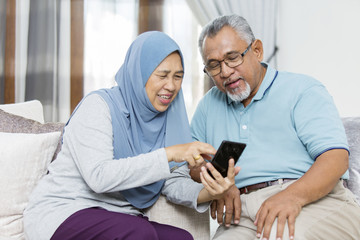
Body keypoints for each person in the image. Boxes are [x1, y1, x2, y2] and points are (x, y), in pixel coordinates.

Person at [23, 31, 239, 240]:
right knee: (139, 233)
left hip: (120, 217)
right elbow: (99, 177)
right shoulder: (98, 106)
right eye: (162, 75)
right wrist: (169, 154)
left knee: (181, 237)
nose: (171, 86)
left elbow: (173, 182)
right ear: (139, 74)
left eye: (178, 77)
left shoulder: (169, 119)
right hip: (65, 210)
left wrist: (210, 192)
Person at [190, 14, 360, 240]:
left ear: (257, 50)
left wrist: (292, 196)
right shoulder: (208, 105)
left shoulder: (302, 90)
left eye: (232, 58)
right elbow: (191, 164)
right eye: (214, 65)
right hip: (244, 215)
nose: (225, 72)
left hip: (316, 201)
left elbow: (336, 158)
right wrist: (218, 183)